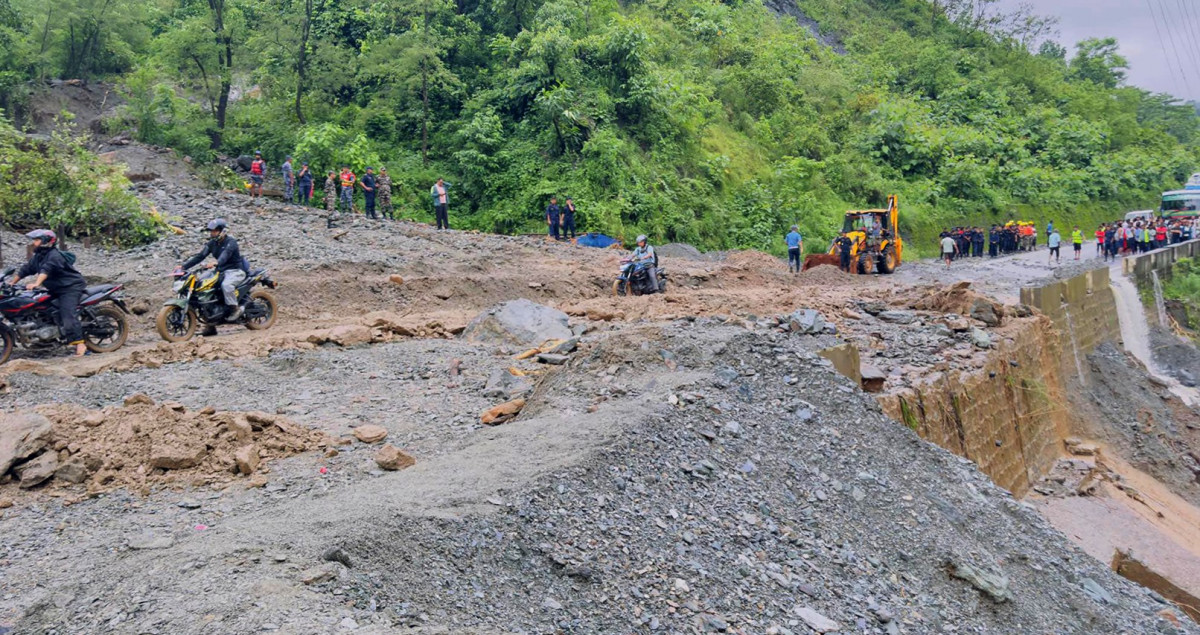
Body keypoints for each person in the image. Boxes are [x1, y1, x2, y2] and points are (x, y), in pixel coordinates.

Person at [9, 230, 88, 357]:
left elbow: (46, 270)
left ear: (46, 241)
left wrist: (36, 283)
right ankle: (46, 338)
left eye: (37, 240)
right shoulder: (39, 256)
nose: (34, 243)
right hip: (55, 288)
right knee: (41, 308)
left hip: (70, 287)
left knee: (67, 313)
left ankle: (80, 343)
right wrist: (12, 283)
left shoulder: (54, 256)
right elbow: (26, 269)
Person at [181, 219, 245, 322]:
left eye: (215, 231)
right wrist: (183, 267)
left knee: (226, 285)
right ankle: (210, 322)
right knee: (201, 285)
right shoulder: (212, 243)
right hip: (220, 271)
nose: (212, 233)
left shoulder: (231, 242)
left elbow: (225, 255)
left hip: (235, 271)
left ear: (222, 231)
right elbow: (200, 256)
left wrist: (216, 263)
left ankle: (235, 309)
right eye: (211, 231)